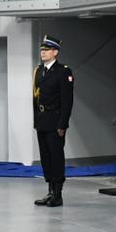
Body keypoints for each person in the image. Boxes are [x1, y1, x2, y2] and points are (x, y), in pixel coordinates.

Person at [31, 36, 73, 207]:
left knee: (56, 157)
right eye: (42, 50)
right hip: (42, 121)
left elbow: (67, 101)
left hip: (55, 121)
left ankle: (58, 194)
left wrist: (62, 124)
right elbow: (35, 98)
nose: (43, 53)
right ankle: (49, 191)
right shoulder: (39, 71)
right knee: (45, 157)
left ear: (55, 52)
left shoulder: (63, 71)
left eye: (47, 50)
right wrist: (36, 121)